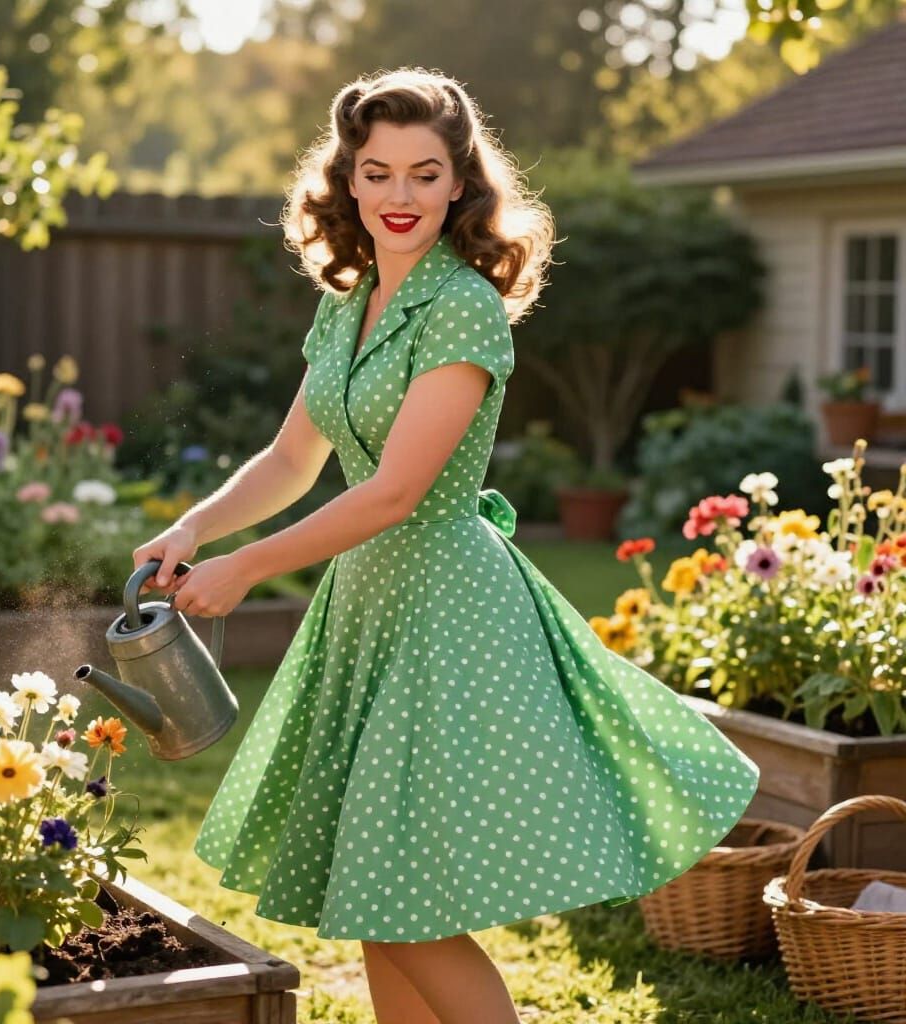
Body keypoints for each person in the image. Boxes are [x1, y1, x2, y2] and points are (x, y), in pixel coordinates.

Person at [132, 67, 760, 1024]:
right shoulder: (347, 306)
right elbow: (292, 458)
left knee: (403, 901)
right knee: (379, 902)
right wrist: (193, 529)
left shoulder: (462, 307)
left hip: (445, 610)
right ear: (348, 180)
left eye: (424, 174)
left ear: (461, 183)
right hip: (368, 608)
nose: (399, 196)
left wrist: (247, 566)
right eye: (377, 172)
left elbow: (393, 492)